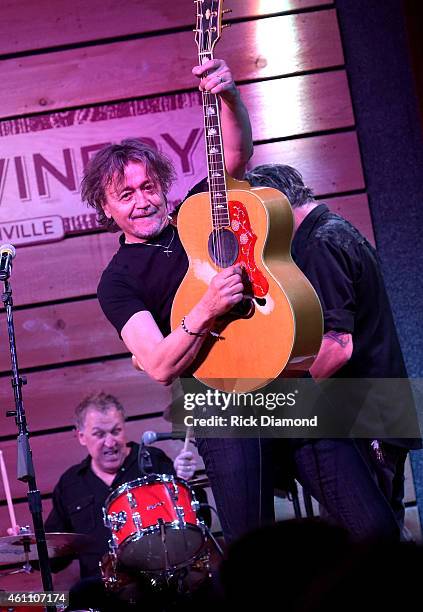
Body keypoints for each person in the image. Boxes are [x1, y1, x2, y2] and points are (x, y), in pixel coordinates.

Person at [82, 58, 277, 545]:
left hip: (277, 373)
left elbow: (235, 155)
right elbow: (160, 364)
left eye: (148, 187)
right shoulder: (117, 281)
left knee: (362, 520)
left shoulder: (198, 213)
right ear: (105, 209)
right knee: (255, 541)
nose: (142, 200)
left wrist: (229, 95)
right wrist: (207, 309)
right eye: (125, 194)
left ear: (163, 187)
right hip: (215, 400)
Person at [244, 163, 421, 541]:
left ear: (273, 207)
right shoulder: (334, 231)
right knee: (374, 536)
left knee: (371, 540)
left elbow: (337, 347)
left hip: (366, 417)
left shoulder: (319, 245)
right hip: (377, 412)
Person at [8, 391, 199, 579]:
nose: (110, 442)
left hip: (159, 578)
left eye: (116, 431)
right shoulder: (71, 484)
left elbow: (196, 519)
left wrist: (184, 483)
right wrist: (27, 545)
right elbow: (56, 560)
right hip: (100, 592)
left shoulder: (153, 460)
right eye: (99, 434)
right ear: (81, 436)